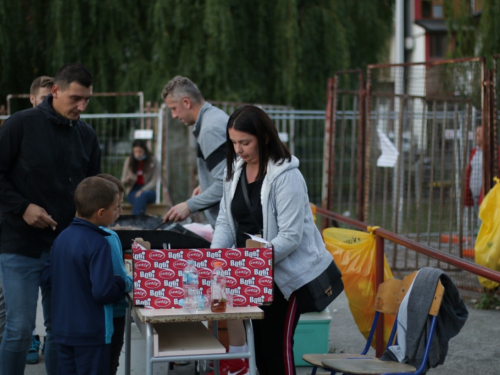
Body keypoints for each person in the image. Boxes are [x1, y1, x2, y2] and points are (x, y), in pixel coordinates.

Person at [211, 105, 333, 375]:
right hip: (251, 272)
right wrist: (215, 257)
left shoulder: (287, 176)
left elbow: (290, 236)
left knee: (276, 350)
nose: (239, 149)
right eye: (233, 143)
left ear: (265, 138)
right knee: (259, 349)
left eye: (245, 142)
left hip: (285, 277)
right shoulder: (234, 171)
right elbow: (225, 221)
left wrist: (255, 262)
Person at [0, 63, 100, 375]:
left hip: (67, 249)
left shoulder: (87, 135)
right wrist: (23, 207)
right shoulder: (20, 124)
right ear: (55, 91)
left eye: (86, 100)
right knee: (19, 329)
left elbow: (93, 192)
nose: (81, 106)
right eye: (75, 98)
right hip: (20, 244)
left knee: (60, 331)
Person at [42, 176, 126, 375]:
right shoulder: (100, 243)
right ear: (101, 213)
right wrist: (120, 282)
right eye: (116, 208)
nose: (118, 212)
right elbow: (103, 292)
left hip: (63, 330)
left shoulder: (62, 237)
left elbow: (46, 277)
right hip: (92, 334)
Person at [162, 76, 229, 227]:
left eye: (173, 108)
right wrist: (206, 185)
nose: (173, 116)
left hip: (231, 227)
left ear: (186, 102)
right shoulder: (214, 117)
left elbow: (227, 182)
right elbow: (227, 171)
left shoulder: (209, 129)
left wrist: (189, 205)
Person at [96, 174, 133, 375]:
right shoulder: (110, 237)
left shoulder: (70, 234)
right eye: (117, 206)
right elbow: (120, 279)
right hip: (113, 315)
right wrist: (135, 279)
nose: (120, 211)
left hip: (85, 319)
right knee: (110, 365)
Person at [121, 139, 159, 215]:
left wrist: (142, 190)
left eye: (140, 151)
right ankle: (140, 220)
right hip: (133, 190)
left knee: (142, 195)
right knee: (139, 198)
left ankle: (135, 220)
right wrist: (127, 180)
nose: (138, 154)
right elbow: (123, 179)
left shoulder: (153, 160)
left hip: (148, 190)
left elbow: (154, 182)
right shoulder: (129, 161)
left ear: (145, 150)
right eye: (135, 152)